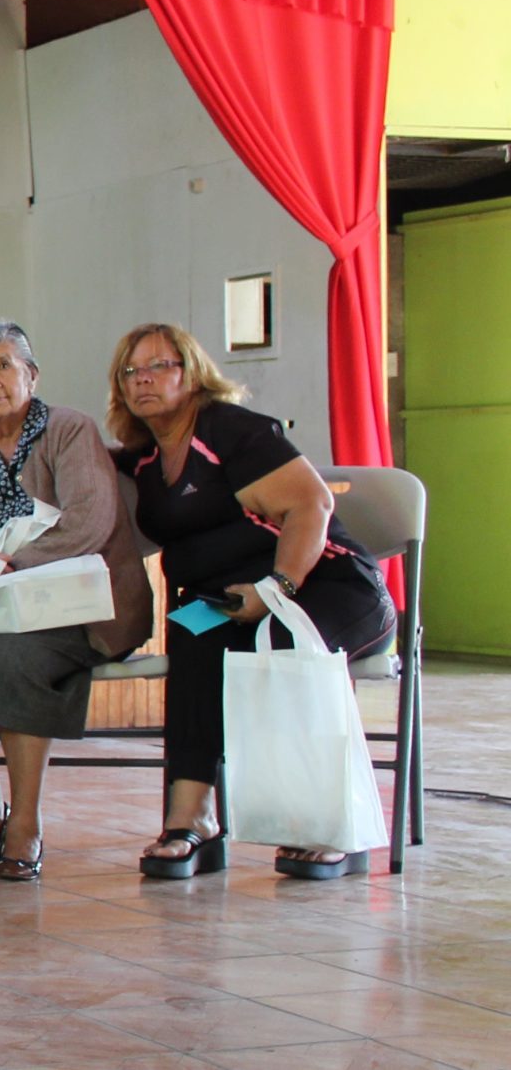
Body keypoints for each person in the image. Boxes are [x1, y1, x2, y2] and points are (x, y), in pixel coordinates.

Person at [112, 324, 395, 882]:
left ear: (192, 374)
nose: (143, 379)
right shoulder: (143, 458)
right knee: (190, 633)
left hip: (330, 586)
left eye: (159, 365)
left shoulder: (230, 430)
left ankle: (328, 825)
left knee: (284, 642)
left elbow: (312, 505)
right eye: (130, 370)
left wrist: (275, 590)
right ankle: (193, 819)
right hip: (234, 599)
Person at [0, 322, 153, 883]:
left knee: (17, 653)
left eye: (3, 366)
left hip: (75, 605)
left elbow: (89, 523)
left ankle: (26, 820)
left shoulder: (69, 429)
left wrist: (7, 572)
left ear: (31, 376)